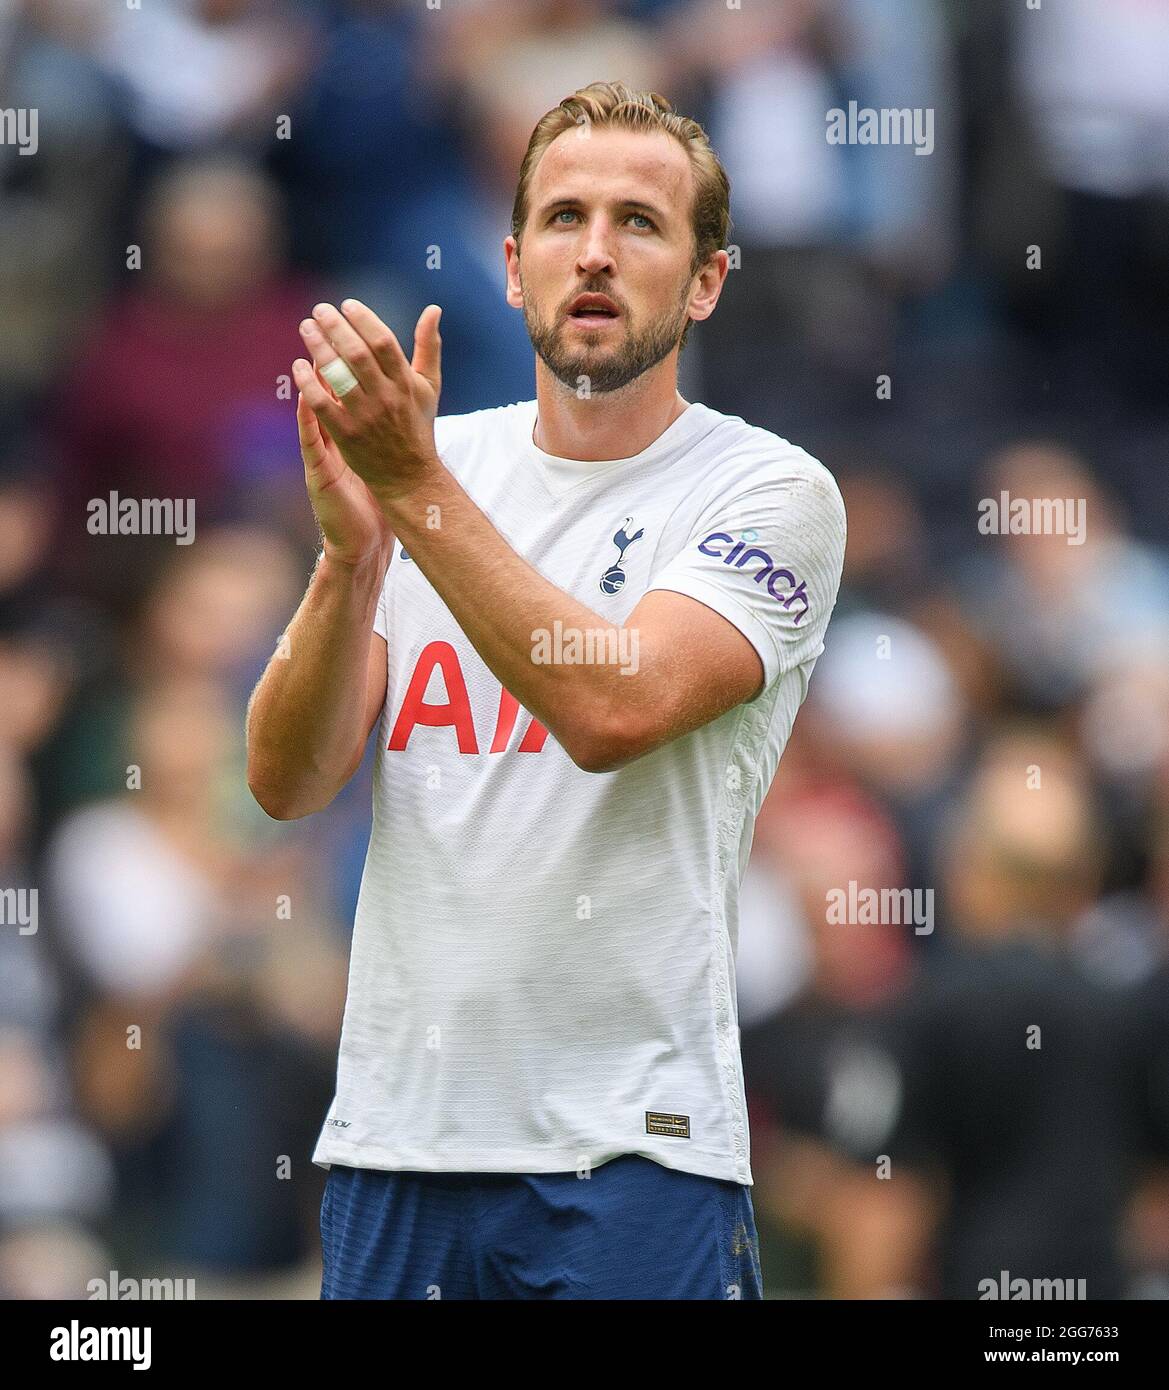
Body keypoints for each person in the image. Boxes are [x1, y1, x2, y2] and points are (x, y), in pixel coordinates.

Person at [246, 81, 846, 1300]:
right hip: (395, 1138)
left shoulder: (768, 493)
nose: (595, 250)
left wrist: (411, 501)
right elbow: (288, 780)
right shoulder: (431, 466)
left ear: (706, 279)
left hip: (634, 1150)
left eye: (640, 222)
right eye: (565, 217)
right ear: (512, 265)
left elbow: (610, 709)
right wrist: (351, 560)